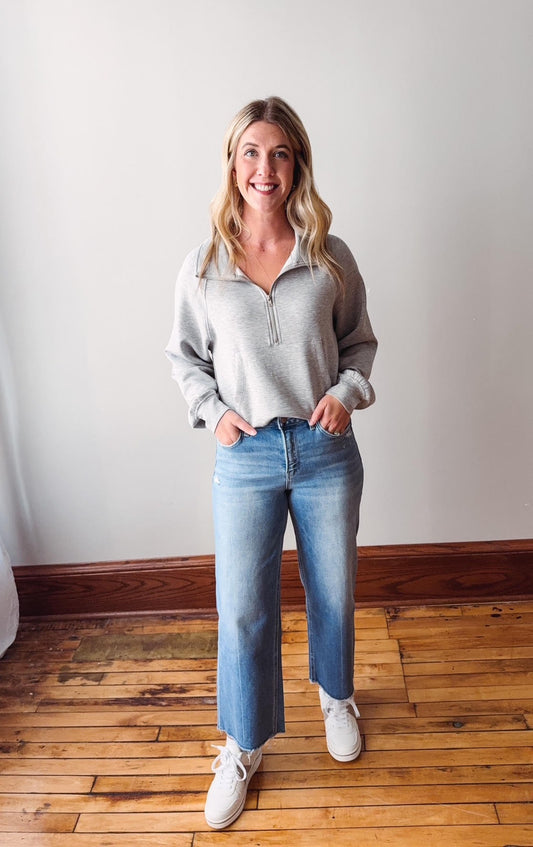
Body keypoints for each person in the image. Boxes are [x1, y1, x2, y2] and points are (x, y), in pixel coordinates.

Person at [165, 96, 377, 830]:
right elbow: (184, 356)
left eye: (280, 153)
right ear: (232, 163)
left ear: (297, 165)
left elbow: (359, 344)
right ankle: (242, 743)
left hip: (324, 450)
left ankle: (335, 695)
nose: (265, 168)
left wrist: (348, 391)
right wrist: (211, 410)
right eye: (251, 152)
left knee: (335, 591)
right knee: (245, 610)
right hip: (247, 456)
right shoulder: (203, 263)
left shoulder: (328, 253)